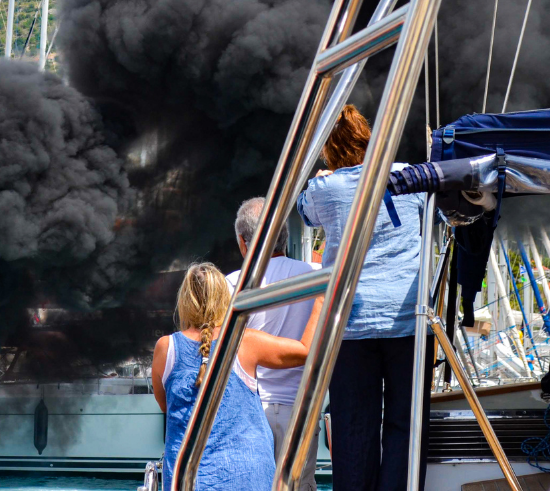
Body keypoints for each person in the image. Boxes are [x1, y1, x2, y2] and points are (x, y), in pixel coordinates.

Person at [296, 105, 427, 491]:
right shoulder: (407, 176)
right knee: (405, 424)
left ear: (330, 149)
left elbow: (305, 214)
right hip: (407, 319)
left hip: (350, 325)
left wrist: (322, 178)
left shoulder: (324, 188)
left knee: (354, 428)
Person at [152, 262, 323, 491]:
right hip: (246, 476)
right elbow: (305, 350)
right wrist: (322, 298)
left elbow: (167, 406)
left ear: (184, 301)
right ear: (225, 298)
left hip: (188, 479)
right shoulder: (244, 341)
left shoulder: (166, 348)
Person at [228, 197, 320, 491]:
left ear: (243, 243)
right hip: (301, 410)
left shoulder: (232, 285)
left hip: (250, 412)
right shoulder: (316, 277)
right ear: (285, 236)